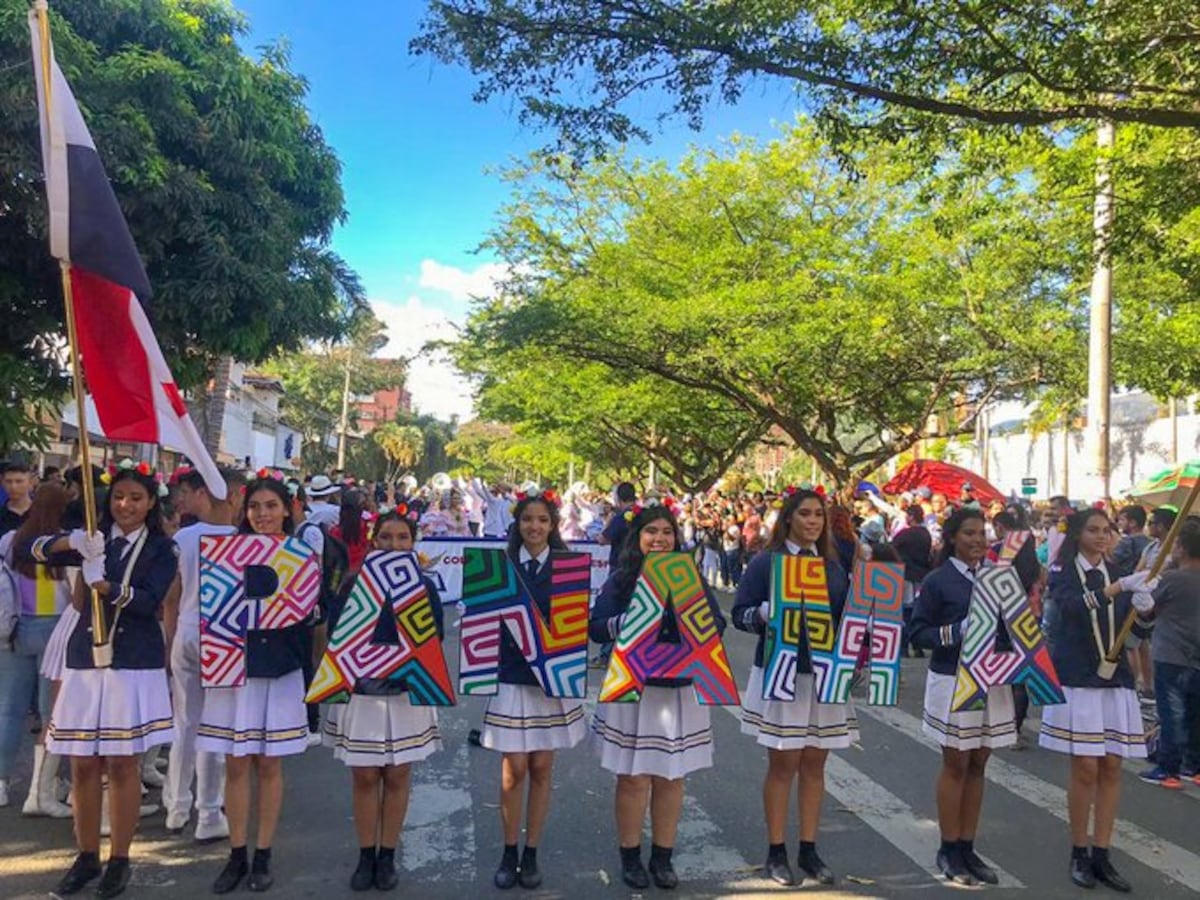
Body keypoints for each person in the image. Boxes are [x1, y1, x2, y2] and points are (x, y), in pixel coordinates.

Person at [34, 461, 178, 898]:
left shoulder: (160, 548)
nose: (125, 505)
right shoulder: (94, 538)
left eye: (136, 498)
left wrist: (105, 586)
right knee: (82, 762)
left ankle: (119, 858)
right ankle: (85, 856)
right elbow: (30, 548)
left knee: (121, 763)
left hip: (132, 660)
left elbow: (149, 600)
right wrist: (72, 540)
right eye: (118, 497)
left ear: (151, 502)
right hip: (84, 657)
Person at [589, 503, 727, 891]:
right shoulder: (621, 579)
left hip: (679, 691)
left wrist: (693, 629)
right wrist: (627, 624)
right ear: (638, 539)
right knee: (633, 778)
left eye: (667, 532)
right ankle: (630, 856)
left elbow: (716, 623)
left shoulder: (690, 578)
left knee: (672, 776)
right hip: (635, 691)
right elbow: (596, 628)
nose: (660, 539)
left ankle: (663, 857)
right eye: (652, 532)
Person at [197, 473, 323, 894]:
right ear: (243, 511)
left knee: (269, 764)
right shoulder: (225, 554)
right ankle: (236, 854)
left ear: (287, 509)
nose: (263, 514)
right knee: (235, 763)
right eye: (255, 507)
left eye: (271, 506)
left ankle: (263, 853)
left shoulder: (301, 555)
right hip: (232, 668)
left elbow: (311, 616)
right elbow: (212, 609)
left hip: (280, 668)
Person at [732, 488, 854, 887]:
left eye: (819, 514)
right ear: (788, 518)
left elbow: (845, 619)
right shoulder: (768, 562)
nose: (813, 521)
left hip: (824, 676)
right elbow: (738, 615)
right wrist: (764, 614)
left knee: (816, 764)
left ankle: (809, 848)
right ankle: (775, 850)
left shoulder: (834, 566)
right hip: (782, 672)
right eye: (805, 514)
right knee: (783, 763)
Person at [325, 510, 445, 892]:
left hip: (406, 692)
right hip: (363, 693)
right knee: (363, 774)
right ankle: (365, 855)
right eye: (387, 537)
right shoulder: (353, 584)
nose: (395, 545)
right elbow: (336, 636)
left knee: (397, 774)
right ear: (375, 541)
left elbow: (435, 639)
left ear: (414, 543)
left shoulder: (424, 587)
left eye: (403, 538)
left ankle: (387, 855)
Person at [480, 492, 586, 890]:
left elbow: (577, 626)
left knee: (542, 768)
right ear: (517, 523)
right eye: (528, 519)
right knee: (514, 770)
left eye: (542, 520)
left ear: (553, 525)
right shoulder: (501, 566)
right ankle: (509, 850)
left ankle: (531, 852)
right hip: (511, 678)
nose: (535, 527)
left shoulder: (569, 568)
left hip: (552, 682)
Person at [1039, 508, 1149, 891]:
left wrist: (1147, 608)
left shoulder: (1118, 574)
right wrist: (1117, 590)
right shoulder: (1062, 571)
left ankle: (1103, 853)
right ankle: (1078, 850)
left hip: (1115, 678)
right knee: (1085, 766)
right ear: (1079, 534)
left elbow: (1134, 627)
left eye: (1107, 530)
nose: (1102, 536)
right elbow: (1069, 609)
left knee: (1113, 766)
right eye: (1094, 530)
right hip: (1078, 677)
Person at [910, 507, 1015, 887]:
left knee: (979, 764)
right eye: (969, 533)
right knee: (956, 763)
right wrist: (959, 630)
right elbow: (918, 633)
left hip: (993, 679)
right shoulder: (939, 581)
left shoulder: (999, 578)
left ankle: (968, 846)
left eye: (982, 534)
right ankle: (948, 846)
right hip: (954, 678)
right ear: (953, 537)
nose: (977, 540)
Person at [161, 467, 245, 842]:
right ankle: (209, 812)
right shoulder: (245, 541)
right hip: (226, 635)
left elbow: (172, 596)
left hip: (187, 629)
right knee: (217, 726)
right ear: (235, 495)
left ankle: (176, 806)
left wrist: (170, 638)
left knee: (184, 721)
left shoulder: (184, 538)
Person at [0, 484, 73, 816]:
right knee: (50, 714)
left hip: (14, 628)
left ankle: (0, 784)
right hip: (56, 630)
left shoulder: (11, 540)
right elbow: (76, 594)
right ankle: (39, 791)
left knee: (9, 710)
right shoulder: (66, 545)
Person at [1139, 516, 1200, 788]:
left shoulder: (1172, 578)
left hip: (1171, 653)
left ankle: (1169, 769)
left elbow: (1147, 607)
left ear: (1182, 549)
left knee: (1172, 713)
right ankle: (1195, 766)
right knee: (1195, 713)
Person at [891, 504, 932, 658]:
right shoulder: (925, 534)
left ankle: (903, 646)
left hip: (906, 574)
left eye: (908, 515)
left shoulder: (906, 534)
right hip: (920, 575)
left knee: (905, 612)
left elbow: (892, 547)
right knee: (916, 610)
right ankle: (917, 645)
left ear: (912, 516)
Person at [0, 461, 34, 537]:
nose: (13, 486)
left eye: (19, 481)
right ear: (2, 483)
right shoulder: (2, 514)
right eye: (8, 481)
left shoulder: (42, 514)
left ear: (30, 483)